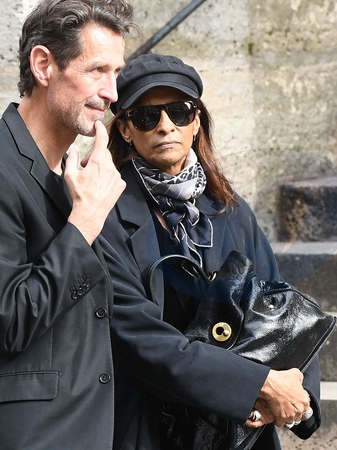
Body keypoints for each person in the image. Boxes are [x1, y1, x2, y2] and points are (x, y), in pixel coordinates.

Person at [0, 0, 136, 448]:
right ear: (43, 65)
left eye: (116, 72)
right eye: (97, 70)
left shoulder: (69, 171)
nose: (112, 93)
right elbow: (11, 320)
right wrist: (85, 220)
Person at [99, 53, 322, 449]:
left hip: (240, 428)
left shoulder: (229, 208)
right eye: (147, 116)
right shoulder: (105, 214)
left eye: (179, 111)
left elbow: (280, 307)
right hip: (155, 427)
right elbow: (136, 337)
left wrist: (298, 397)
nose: (166, 125)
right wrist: (254, 387)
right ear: (126, 129)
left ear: (197, 120)